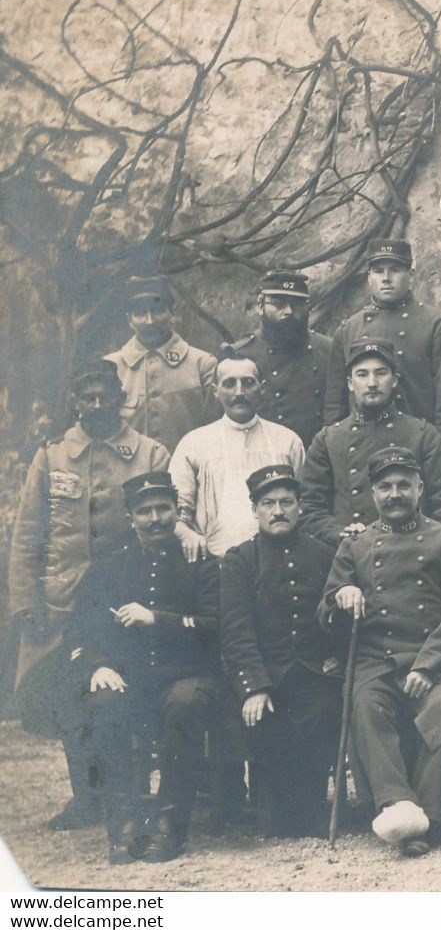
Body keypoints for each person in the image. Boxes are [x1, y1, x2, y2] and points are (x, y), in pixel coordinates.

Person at [7, 359, 170, 831]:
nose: (96, 405)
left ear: (120, 398)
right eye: (86, 396)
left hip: (127, 599)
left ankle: (131, 795)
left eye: (105, 395)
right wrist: (25, 602)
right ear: (74, 400)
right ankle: (87, 797)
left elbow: (164, 525)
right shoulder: (52, 457)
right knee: (67, 698)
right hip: (60, 602)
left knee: (123, 691)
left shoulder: (150, 453)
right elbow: (28, 534)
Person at [318, 446, 441, 856]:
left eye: (404, 485)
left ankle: (428, 815)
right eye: (385, 487)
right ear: (372, 493)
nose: (395, 494)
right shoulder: (355, 546)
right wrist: (341, 595)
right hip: (378, 658)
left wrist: (429, 666)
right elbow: (324, 615)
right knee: (367, 704)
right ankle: (396, 804)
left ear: (420, 488)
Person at [74, 472, 222, 864]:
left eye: (163, 508)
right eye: (144, 511)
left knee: (183, 704)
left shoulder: (201, 561)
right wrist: (98, 665)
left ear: (177, 511)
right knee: (102, 703)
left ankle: (170, 827)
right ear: (130, 517)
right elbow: (83, 628)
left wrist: (157, 618)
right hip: (133, 677)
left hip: (190, 674)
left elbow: (216, 626)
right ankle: (123, 827)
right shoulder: (108, 567)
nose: (155, 518)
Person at [217, 465, 342, 838]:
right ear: (254, 510)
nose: (278, 511)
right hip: (265, 674)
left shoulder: (324, 555)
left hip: (313, 672)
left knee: (322, 712)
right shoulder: (239, 560)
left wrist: (335, 654)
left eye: (287, 502)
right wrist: (253, 686)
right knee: (265, 721)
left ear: (300, 507)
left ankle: (312, 811)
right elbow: (236, 631)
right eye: (268, 503)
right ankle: (275, 813)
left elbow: (336, 614)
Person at [299, 340, 441, 545]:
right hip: (352, 554)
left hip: (415, 552)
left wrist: (424, 542)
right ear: (349, 383)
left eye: (381, 373)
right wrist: (340, 534)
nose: (372, 382)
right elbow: (310, 508)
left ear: (394, 380)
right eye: (362, 374)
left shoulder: (422, 434)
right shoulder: (329, 439)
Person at [324, 239, 441, 450]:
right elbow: (335, 404)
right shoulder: (349, 329)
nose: (386, 278)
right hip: (363, 446)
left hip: (418, 445)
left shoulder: (435, 324)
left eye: (396, 270)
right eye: (379, 271)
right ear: (369, 277)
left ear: (411, 275)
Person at [169, 351, 305, 558]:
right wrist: (187, 535)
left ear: (262, 387)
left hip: (278, 559)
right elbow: (176, 511)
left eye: (248, 383)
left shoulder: (287, 441)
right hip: (216, 560)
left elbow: (305, 504)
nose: (239, 392)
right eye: (229, 383)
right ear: (215, 391)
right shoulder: (194, 443)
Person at [106, 277, 218, 454]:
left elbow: (216, 433)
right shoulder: (110, 367)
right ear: (129, 320)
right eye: (140, 313)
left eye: (158, 311)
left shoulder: (203, 364)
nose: (150, 321)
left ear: (172, 313)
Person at [226, 271, 334, 444]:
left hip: (317, 456)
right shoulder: (241, 353)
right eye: (279, 304)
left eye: (297, 304)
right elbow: (221, 422)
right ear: (261, 306)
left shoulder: (329, 351)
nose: (289, 312)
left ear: (308, 307)